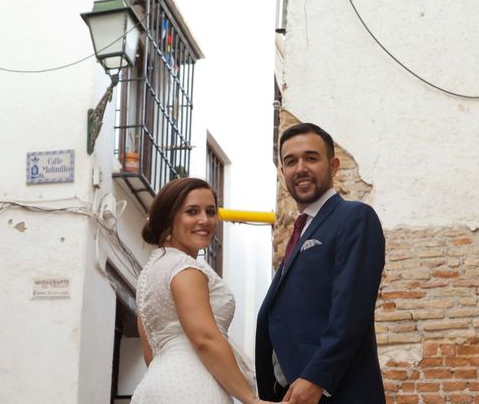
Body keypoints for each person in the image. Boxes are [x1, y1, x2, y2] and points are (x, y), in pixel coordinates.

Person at [255, 123, 386, 404]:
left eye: (311, 158)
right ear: (282, 173)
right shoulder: (300, 231)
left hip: (332, 392)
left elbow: (351, 310)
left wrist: (317, 377)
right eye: (290, 161)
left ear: (334, 165)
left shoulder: (354, 217)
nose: (300, 168)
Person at [132, 177, 283, 404]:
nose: (205, 220)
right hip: (193, 385)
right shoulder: (185, 269)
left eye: (211, 212)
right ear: (169, 217)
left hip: (154, 386)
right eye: (192, 211)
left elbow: (149, 352)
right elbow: (205, 339)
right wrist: (252, 399)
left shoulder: (150, 272)